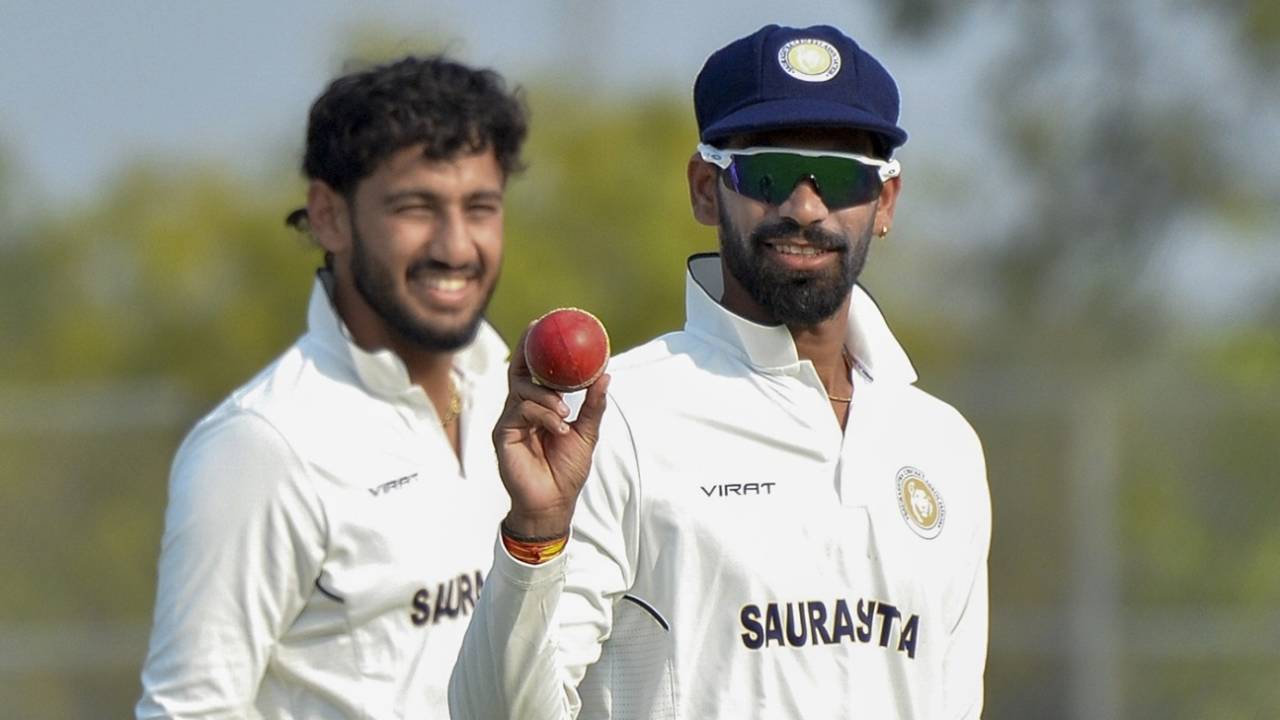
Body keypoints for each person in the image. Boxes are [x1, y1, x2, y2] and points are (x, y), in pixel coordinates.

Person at [450, 24, 991, 719]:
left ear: (883, 203)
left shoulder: (942, 443)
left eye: (841, 177)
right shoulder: (617, 419)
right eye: (767, 174)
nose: (805, 207)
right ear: (707, 189)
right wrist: (534, 533)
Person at [136, 55, 528, 718]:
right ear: (329, 216)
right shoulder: (262, 445)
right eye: (416, 207)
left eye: (480, 207)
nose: (456, 246)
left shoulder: (513, 393)